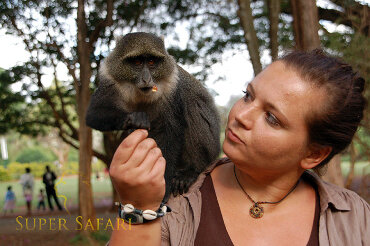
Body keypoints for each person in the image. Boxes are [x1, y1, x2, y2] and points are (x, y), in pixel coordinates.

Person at [108, 49, 369, 246]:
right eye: (248, 96)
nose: (241, 115)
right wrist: (139, 207)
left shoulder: (356, 218)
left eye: (272, 118)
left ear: (314, 154)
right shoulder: (172, 198)